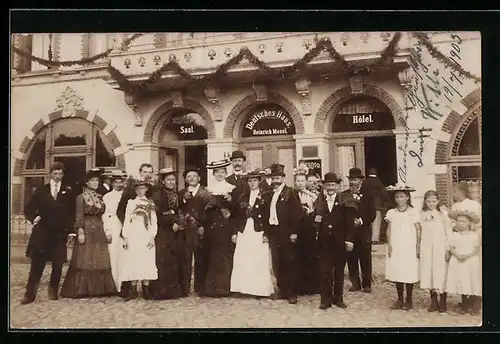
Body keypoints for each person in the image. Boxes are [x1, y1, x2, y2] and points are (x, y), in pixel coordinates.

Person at [21, 162, 76, 304]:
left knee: (58, 264)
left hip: (59, 234)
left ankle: (53, 290)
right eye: (55, 173)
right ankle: (30, 294)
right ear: (50, 174)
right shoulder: (41, 190)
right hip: (42, 233)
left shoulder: (68, 191)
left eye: (60, 173)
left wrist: (69, 230)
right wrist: (34, 218)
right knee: (37, 265)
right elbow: (28, 209)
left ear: (63, 175)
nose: (58, 176)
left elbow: (71, 213)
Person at [61, 168, 117, 298]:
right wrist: (80, 232)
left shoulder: (100, 197)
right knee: (86, 257)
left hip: (98, 227)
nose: (95, 183)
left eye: (97, 180)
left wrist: (106, 230)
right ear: (87, 183)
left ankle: (100, 289)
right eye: (92, 181)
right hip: (86, 227)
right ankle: (83, 289)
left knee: (99, 257)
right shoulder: (81, 198)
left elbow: (104, 215)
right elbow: (79, 216)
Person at [313, 172, 355, 310]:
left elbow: (349, 223)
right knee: (325, 272)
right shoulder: (319, 201)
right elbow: (315, 220)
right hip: (324, 242)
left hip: (340, 242)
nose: (331, 187)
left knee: (339, 272)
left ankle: (338, 298)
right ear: (324, 186)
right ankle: (326, 300)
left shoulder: (344, 201)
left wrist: (349, 240)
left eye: (333, 185)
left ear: (338, 186)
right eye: (328, 185)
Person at [231, 168, 274, 298]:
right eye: (250, 181)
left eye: (255, 180)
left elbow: (268, 216)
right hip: (244, 229)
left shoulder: (266, 196)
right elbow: (237, 216)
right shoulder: (243, 197)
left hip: (258, 230)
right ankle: (242, 288)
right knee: (243, 257)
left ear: (259, 181)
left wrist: (267, 233)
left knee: (258, 258)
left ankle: (259, 289)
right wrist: (234, 232)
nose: (252, 183)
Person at [265, 164, 303, 304]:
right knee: (277, 262)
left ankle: (291, 292)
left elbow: (297, 213)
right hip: (274, 232)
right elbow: (266, 213)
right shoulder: (269, 193)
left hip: (287, 232)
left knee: (289, 262)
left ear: (283, 178)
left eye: (278, 178)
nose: (275, 180)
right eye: (273, 178)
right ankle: (281, 290)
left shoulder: (290, 192)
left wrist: (294, 232)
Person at [116, 163, 155, 297]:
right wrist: (125, 234)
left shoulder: (151, 197)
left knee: (146, 260)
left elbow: (153, 218)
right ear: (140, 172)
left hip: (146, 232)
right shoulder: (130, 196)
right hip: (133, 231)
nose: (147, 174)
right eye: (145, 172)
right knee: (131, 259)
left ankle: (147, 289)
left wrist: (152, 235)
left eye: (150, 172)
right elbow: (122, 212)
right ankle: (129, 289)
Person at [202, 159, 238, 297]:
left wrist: (229, 204)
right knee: (213, 255)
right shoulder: (208, 189)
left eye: (222, 172)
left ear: (226, 173)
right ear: (214, 174)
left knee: (226, 255)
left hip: (227, 225)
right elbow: (204, 209)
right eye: (217, 172)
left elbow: (236, 209)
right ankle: (212, 288)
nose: (220, 175)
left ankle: (225, 287)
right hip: (212, 225)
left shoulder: (231, 188)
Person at [385, 185, 421, 311]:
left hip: (409, 245)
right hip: (396, 244)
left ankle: (409, 299)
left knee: (408, 272)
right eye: (397, 197)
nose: (399, 199)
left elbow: (417, 229)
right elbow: (388, 230)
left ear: (407, 197)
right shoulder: (391, 213)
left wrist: (417, 245)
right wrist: (389, 244)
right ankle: (399, 298)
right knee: (398, 271)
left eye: (401, 197)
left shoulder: (413, 212)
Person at [149, 168, 184, 300]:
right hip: (162, 230)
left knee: (173, 259)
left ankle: (172, 291)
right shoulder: (158, 195)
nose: (171, 182)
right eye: (168, 180)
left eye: (173, 179)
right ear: (163, 181)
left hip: (173, 231)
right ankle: (160, 292)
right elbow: (156, 215)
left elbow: (177, 211)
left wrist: (178, 221)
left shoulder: (175, 194)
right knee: (162, 259)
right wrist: (171, 220)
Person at [179, 166, 212, 295]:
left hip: (200, 229)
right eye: (189, 177)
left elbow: (209, 211)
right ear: (186, 180)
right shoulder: (181, 193)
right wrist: (183, 200)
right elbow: (177, 208)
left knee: (201, 258)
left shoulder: (206, 193)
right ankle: (184, 288)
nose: (192, 178)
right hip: (186, 230)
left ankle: (200, 287)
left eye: (194, 176)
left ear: (199, 178)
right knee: (185, 258)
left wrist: (202, 224)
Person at [344, 168, 376, 293]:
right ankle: (355, 283)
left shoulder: (368, 195)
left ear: (361, 180)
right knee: (351, 258)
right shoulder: (345, 195)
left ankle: (367, 284)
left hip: (364, 232)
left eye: (355, 179)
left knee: (365, 258)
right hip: (349, 232)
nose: (353, 182)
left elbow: (372, 213)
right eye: (351, 179)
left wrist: (361, 221)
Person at [419, 190, 452, 313]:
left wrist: (448, 248)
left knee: (441, 272)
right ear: (425, 201)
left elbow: (448, 232)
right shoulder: (422, 214)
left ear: (438, 201)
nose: (431, 204)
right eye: (428, 201)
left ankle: (443, 300)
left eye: (433, 201)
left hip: (440, 247)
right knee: (429, 272)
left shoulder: (443, 214)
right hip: (427, 247)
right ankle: (433, 301)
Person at [445, 210, 482, 315]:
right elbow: (451, 247)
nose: (460, 224)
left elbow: (476, 249)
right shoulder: (454, 235)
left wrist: (466, 256)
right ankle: (464, 304)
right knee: (461, 280)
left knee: (471, 280)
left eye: (463, 221)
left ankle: (474, 303)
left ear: (469, 223)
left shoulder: (474, 235)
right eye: (459, 221)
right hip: (458, 260)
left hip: (470, 260)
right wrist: (456, 255)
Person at [294, 170, 320, 295]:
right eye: (298, 181)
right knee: (298, 256)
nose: (300, 183)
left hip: (309, 226)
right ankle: (299, 286)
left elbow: (319, 208)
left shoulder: (311, 195)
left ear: (306, 182)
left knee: (310, 255)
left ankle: (312, 286)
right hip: (297, 227)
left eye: (302, 181)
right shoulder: (292, 194)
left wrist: (311, 210)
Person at [102, 170, 127, 293]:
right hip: (112, 225)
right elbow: (105, 214)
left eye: (120, 182)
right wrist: (107, 231)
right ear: (112, 184)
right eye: (116, 182)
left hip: (124, 224)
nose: (118, 184)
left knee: (124, 255)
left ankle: (123, 285)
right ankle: (113, 285)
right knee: (113, 255)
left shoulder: (127, 195)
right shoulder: (107, 197)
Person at [362, 168, 389, 244]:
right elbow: (384, 194)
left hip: (366, 204)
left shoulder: (365, 182)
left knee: (368, 220)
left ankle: (368, 238)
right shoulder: (378, 182)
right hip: (377, 205)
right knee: (376, 221)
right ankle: (375, 239)